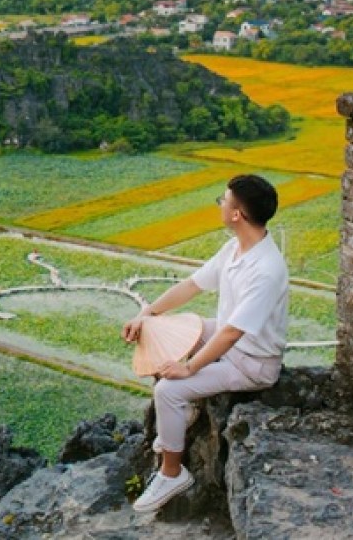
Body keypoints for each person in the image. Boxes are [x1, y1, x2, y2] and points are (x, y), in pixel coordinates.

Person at [121, 173, 288, 514]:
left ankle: (172, 473)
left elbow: (232, 334)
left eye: (223, 201)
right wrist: (147, 313)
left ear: (237, 214)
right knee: (168, 327)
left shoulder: (267, 269)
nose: (220, 206)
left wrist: (188, 368)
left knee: (168, 390)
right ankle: (182, 415)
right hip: (229, 339)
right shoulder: (234, 249)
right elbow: (191, 286)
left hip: (251, 362)